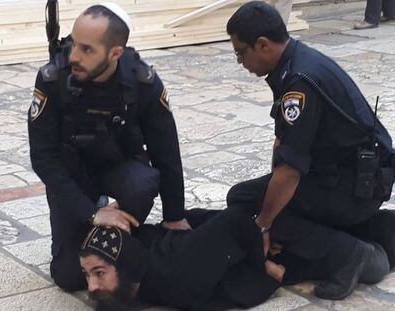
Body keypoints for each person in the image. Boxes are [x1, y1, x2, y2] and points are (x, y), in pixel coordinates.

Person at [225, 1, 395, 300]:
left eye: (241, 52)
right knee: (260, 196)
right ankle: (375, 232)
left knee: (250, 205)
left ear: (262, 45)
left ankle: (347, 254)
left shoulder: (300, 83)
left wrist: (263, 226)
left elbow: (290, 172)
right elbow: (284, 146)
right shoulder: (297, 63)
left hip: (352, 188)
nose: (240, 61)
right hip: (350, 179)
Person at [28, 2, 189, 292]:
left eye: (87, 49)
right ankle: (99, 219)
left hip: (118, 165)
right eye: (74, 44)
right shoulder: (53, 78)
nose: (74, 55)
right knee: (69, 277)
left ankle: (120, 231)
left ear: (115, 53)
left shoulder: (142, 82)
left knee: (143, 182)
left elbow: (166, 151)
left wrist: (175, 216)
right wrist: (90, 213)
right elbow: (43, 158)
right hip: (72, 175)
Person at [79, 208, 390, 311]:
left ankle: (363, 254)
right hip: (243, 249)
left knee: (367, 252)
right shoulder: (140, 263)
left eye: (99, 273)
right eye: (88, 275)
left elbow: (235, 220)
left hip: (274, 253)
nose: (91, 287)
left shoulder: (178, 273)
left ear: (128, 267)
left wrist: (263, 262)